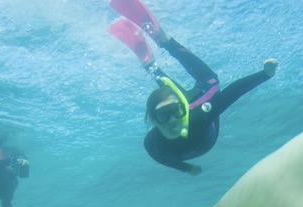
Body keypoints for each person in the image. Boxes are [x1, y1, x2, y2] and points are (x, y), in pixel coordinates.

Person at [108, 0, 277, 175]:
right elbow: (158, 157)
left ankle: (161, 50)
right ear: (153, 120)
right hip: (196, 120)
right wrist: (186, 168)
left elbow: (232, 93)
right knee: (205, 84)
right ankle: (155, 63)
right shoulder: (152, 143)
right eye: (163, 115)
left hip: (192, 111)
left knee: (198, 91)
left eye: (175, 111)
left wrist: (265, 74)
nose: (172, 119)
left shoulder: (199, 116)